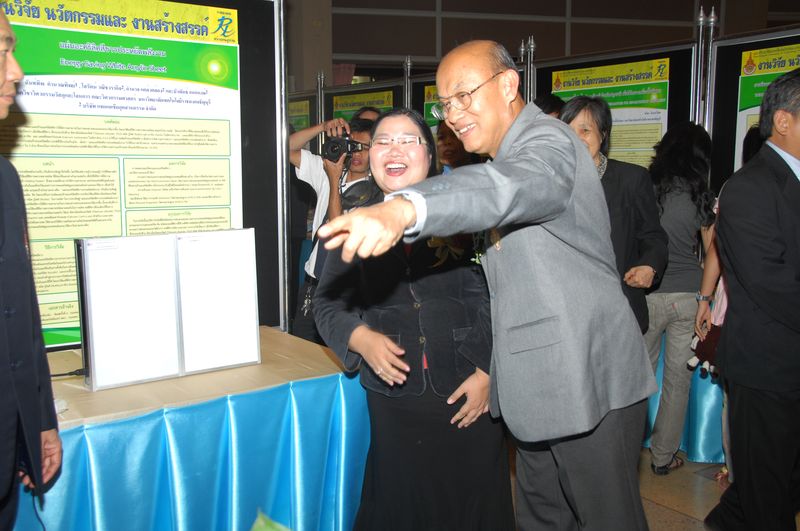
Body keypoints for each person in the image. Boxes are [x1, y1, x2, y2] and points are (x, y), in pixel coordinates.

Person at [318, 40, 656, 530]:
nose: (454, 114)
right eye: (446, 104)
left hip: (585, 376)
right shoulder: (496, 163)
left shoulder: (547, 142)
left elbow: (512, 187)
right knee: (542, 518)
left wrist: (405, 208)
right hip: (532, 388)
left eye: (464, 95)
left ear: (509, 84)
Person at [313, 108, 514, 530]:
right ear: (369, 154)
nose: (395, 150)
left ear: (429, 154)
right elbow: (327, 304)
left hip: (466, 385)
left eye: (408, 141)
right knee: (401, 503)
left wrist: (486, 371)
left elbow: (502, 292)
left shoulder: (467, 211)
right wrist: (360, 337)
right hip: (395, 394)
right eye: (383, 142)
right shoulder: (354, 218)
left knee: (473, 501)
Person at [704, 68, 800, 531]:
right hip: (767, 369)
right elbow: (771, 281)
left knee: (777, 484)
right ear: (783, 121)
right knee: (769, 498)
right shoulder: (749, 188)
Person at [0, 12, 62, 527]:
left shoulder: (6, 179)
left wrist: (38, 421)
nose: (17, 71)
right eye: (3, 50)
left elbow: (22, 312)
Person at [642, 122, 715, 476]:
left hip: (648, 294)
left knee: (637, 379)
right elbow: (712, 251)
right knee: (676, 382)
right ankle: (662, 457)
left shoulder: (647, 187)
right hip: (688, 297)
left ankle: (625, 450)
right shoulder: (699, 192)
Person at [560, 96, 668, 333]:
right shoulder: (552, 184)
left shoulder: (631, 180)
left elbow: (653, 235)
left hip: (619, 311)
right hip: (568, 314)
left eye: (585, 130)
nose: (576, 139)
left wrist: (649, 265)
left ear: (603, 134)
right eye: (568, 132)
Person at [288, 117, 375, 344]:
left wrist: (333, 180)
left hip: (344, 290)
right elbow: (285, 148)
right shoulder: (328, 169)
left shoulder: (376, 193)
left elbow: (338, 234)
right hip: (313, 284)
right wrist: (322, 127)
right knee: (302, 349)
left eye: (364, 148)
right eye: (352, 145)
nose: (357, 153)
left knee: (334, 354)